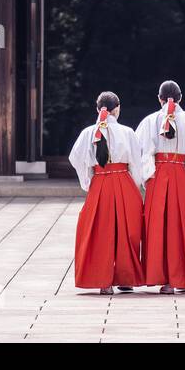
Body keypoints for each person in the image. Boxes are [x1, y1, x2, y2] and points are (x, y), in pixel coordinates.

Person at [136, 80, 185, 294]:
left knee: (158, 227)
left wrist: (147, 175)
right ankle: (184, 278)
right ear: (180, 98)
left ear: (159, 98)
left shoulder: (149, 121)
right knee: (183, 227)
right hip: (182, 175)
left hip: (158, 176)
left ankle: (162, 277)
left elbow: (139, 151)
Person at [68, 91, 147, 295]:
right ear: (117, 108)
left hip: (100, 182)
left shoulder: (88, 133)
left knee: (100, 231)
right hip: (123, 181)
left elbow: (75, 158)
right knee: (127, 230)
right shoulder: (128, 132)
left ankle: (104, 282)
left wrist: (87, 180)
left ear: (98, 109)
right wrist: (136, 185)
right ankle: (126, 278)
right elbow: (136, 163)